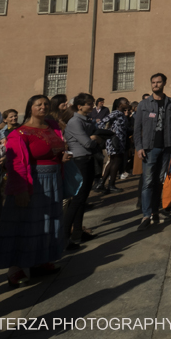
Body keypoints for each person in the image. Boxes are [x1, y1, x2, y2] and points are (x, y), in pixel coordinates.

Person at [0, 96, 67, 287]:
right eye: (38, 104)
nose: (43, 107)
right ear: (30, 108)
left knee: (48, 223)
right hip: (33, 182)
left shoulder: (52, 125)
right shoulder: (19, 133)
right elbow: (15, 163)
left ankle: (40, 260)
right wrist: (21, 189)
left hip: (53, 179)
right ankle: (16, 268)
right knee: (25, 224)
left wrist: (61, 158)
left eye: (46, 104)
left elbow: (57, 148)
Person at [133, 73, 171, 230]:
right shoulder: (144, 104)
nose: (156, 85)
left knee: (159, 181)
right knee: (148, 182)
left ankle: (155, 211)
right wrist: (138, 147)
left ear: (164, 83)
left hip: (166, 147)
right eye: (153, 82)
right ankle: (146, 215)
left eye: (158, 82)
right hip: (149, 149)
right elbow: (137, 128)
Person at [63, 93, 102, 248]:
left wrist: (96, 138)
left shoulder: (86, 120)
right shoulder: (74, 121)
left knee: (83, 198)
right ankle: (65, 235)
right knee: (78, 199)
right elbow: (87, 143)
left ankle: (78, 231)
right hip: (80, 161)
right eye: (88, 104)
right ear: (79, 106)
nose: (91, 106)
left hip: (88, 159)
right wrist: (96, 139)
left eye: (92, 103)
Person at [97, 98, 130, 193]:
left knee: (113, 162)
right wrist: (107, 133)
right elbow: (102, 122)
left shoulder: (122, 114)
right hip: (114, 141)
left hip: (121, 141)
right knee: (116, 161)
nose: (127, 104)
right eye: (125, 102)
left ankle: (102, 183)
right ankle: (111, 184)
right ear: (119, 104)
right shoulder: (116, 113)